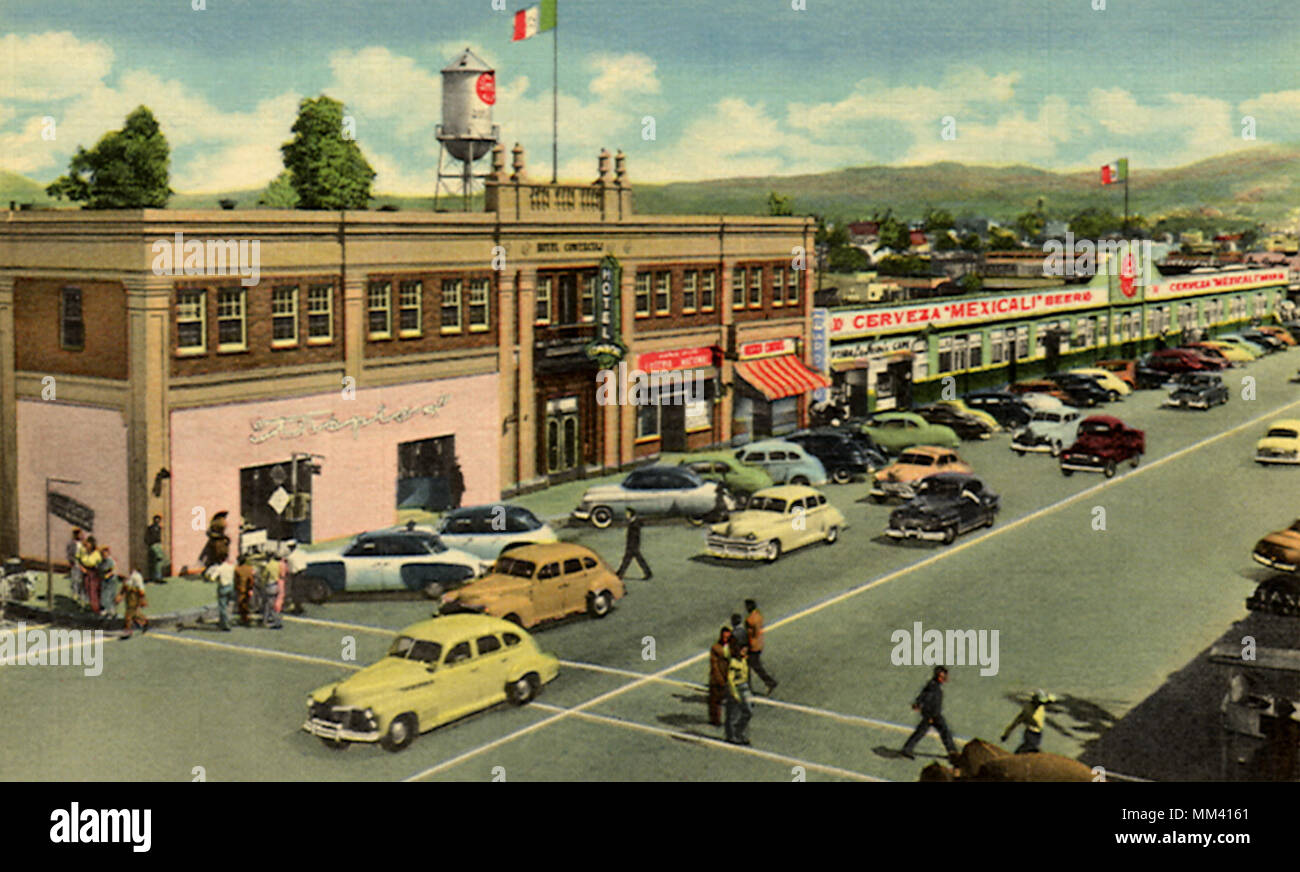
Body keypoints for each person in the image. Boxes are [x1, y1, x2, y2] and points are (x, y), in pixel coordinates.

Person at [901, 666, 958, 760]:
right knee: (925, 732)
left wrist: (918, 703)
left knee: (941, 732)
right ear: (939, 677)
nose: (946, 679)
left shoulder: (933, 685)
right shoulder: (933, 687)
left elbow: (922, 696)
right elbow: (926, 699)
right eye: (944, 677)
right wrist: (928, 715)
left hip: (935, 715)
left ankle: (952, 752)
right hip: (932, 715)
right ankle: (952, 753)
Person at [744, 599, 778, 695]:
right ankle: (767, 682)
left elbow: (752, 633)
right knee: (752, 666)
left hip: (752, 645)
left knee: (752, 666)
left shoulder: (750, 619)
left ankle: (769, 682)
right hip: (759, 644)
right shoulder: (759, 616)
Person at [724, 640, 753, 745]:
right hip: (737, 688)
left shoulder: (744, 661)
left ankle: (739, 732)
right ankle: (732, 736)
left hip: (745, 687)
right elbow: (730, 679)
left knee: (748, 712)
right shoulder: (734, 663)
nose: (744, 651)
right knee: (733, 714)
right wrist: (734, 693)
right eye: (742, 649)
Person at [615, 509, 652, 580]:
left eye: (627, 514)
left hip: (633, 545)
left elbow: (634, 536)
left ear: (631, 514)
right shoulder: (633, 522)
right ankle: (648, 573)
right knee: (632, 559)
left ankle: (620, 573)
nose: (626, 515)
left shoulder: (634, 524)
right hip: (632, 545)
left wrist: (631, 546)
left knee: (628, 560)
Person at [708, 626, 733, 727]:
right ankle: (715, 719)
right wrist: (720, 679)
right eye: (724, 637)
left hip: (728, 676)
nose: (725, 639)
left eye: (727, 637)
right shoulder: (716, 648)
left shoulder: (732, 647)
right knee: (715, 700)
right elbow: (714, 665)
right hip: (718, 678)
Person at [115, 570, 150, 639]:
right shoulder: (126, 575)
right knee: (134, 614)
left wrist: (143, 600)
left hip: (134, 596)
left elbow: (141, 590)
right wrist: (120, 596)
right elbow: (124, 587)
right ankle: (144, 621)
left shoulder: (136, 577)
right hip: (128, 596)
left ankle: (127, 630)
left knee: (129, 614)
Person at [204, 559, 236, 631]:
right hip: (230, 586)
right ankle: (225, 621)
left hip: (223, 587)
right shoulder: (231, 567)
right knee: (227, 604)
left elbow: (212, 578)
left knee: (222, 607)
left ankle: (225, 624)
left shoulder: (219, 568)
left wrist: (210, 577)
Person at [80, 536, 104, 614]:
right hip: (86, 572)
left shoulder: (96, 554)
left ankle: (96, 609)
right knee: (87, 589)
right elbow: (81, 559)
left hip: (94, 573)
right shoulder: (84, 552)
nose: (87, 545)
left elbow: (93, 563)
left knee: (94, 591)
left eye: (88, 544)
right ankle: (90, 606)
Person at [260, 552, 283, 629]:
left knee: (270, 605)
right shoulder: (277, 564)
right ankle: (265, 620)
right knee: (267, 604)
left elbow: (264, 577)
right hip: (276, 585)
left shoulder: (268, 566)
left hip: (269, 585)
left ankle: (277, 621)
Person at [284, 542, 308, 614]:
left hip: (296, 574)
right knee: (301, 591)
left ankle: (297, 609)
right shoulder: (301, 552)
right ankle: (300, 607)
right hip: (303, 572)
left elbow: (292, 570)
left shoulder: (290, 557)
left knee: (295, 592)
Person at [233, 552, 256, 626]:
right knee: (247, 603)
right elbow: (252, 578)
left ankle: (243, 618)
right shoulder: (250, 568)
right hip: (248, 587)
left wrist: (236, 587)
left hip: (241, 588)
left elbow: (236, 580)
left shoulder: (237, 569)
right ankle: (246, 617)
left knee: (241, 604)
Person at [145, 515, 168, 583]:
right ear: (154, 520)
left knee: (159, 561)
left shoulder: (159, 528)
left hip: (158, 544)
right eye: (156, 520)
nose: (157, 521)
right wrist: (150, 544)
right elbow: (146, 538)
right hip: (153, 545)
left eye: (158, 520)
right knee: (157, 560)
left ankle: (158, 577)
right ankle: (156, 577)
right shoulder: (150, 528)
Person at [98, 546, 119, 619]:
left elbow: (114, 570)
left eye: (105, 553)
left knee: (110, 596)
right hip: (104, 582)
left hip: (111, 581)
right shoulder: (101, 562)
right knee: (104, 596)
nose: (104, 555)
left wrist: (108, 575)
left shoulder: (111, 561)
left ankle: (112, 612)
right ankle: (105, 611)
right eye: (102, 554)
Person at [66, 529, 85, 605]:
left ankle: (81, 596)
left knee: (81, 580)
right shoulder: (72, 543)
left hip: (83, 563)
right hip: (75, 563)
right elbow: (69, 553)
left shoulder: (83, 543)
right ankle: (75, 595)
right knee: (75, 580)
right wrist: (71, 561)